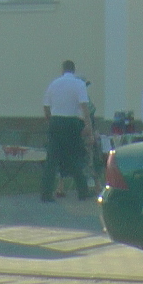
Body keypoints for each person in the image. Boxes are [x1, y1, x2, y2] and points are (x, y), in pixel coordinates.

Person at [41, 59, 93, 202]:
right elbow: (84, 107)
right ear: (74, 70)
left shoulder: (54, 84)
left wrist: (50, 120)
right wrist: (88, 126)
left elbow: (46, 106)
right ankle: (83, 191)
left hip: (56, 121)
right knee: (75, 157)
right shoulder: (79, 84)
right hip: (71, 122)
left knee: (51, 160)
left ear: (62, 70)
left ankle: (46, 194)